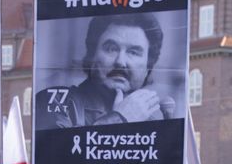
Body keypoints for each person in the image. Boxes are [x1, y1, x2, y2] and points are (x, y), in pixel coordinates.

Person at [35, 13, 178, 129]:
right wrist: (120, 118)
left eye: (133, 52)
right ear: (92, 54)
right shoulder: (56, 101)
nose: (121, 62)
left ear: (148, 67)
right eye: (111, 48)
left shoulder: (153, 124)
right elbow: (57, 156)